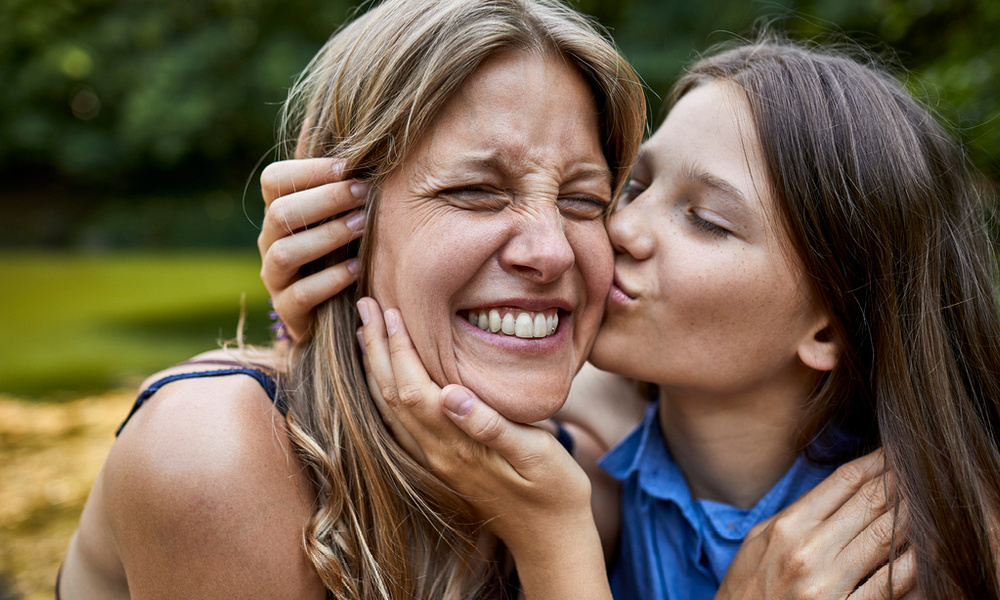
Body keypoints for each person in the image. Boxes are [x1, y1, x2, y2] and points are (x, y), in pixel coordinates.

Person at [261, 34, 1000, 599]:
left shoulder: (904, 549)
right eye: (633, 185)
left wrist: (554, 539)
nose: (619, 231)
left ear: (828, 329)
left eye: (706, 220)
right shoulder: (599, 462)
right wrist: (327, 291)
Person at [57, 0, 646, 598]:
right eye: (476, 190)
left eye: (583, 200)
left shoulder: (583, 485)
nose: (553, 252)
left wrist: (556, 534)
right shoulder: (214, 454)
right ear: (332, 215)